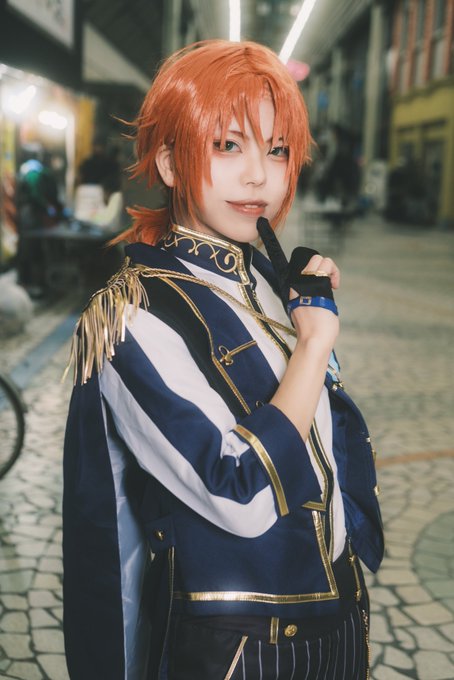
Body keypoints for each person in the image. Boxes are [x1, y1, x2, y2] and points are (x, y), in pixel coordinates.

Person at [63, 40, 383, 680]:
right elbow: (239, 492)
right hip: (241, 649)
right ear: (170, 161)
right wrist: (313, 344)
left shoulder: (267, 283)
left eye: (278, 150)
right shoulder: (134, 314)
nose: (259, 176)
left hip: (339, 620)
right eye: (228, 145)